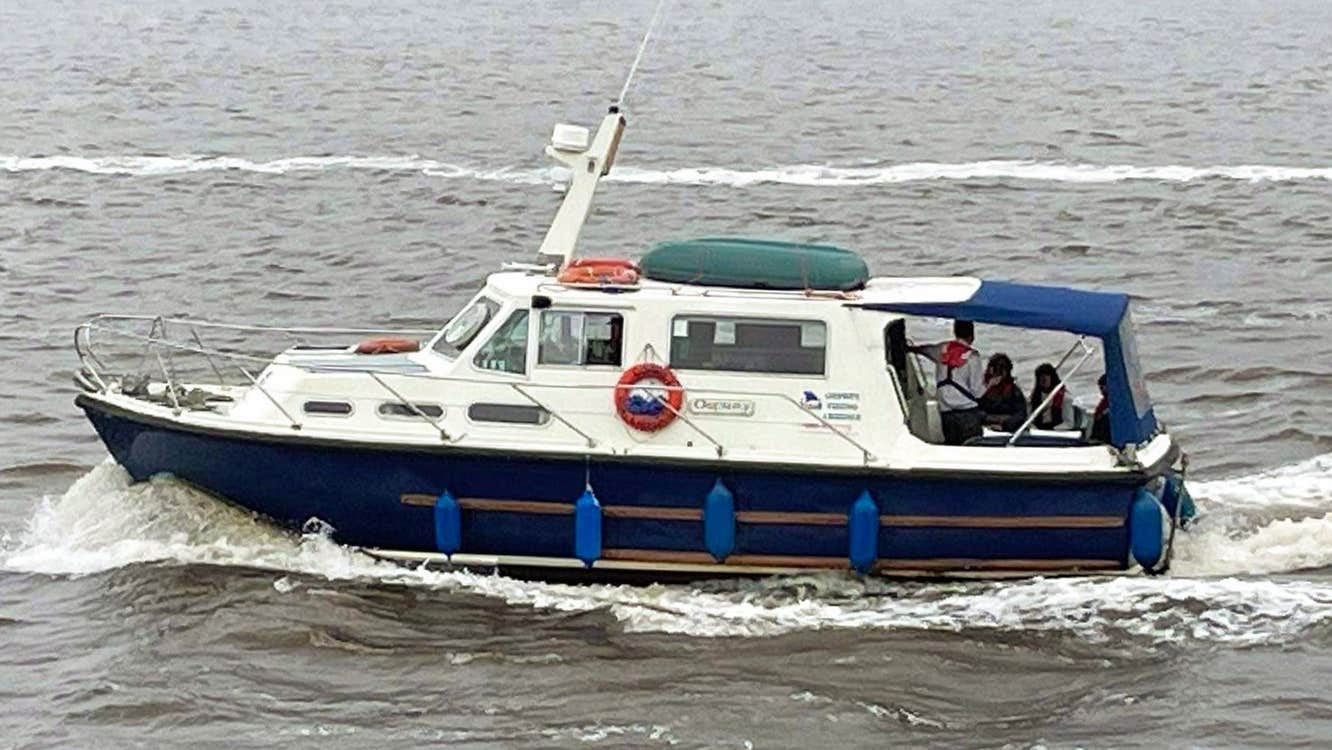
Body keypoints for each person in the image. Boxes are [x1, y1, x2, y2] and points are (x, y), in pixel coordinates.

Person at [909, 320, 985, 445]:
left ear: (954, 332)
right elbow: (978, 392)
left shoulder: (941, 350)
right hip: (967, 414)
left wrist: (910, 348)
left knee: (952, 447)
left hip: (947, 415)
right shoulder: (973, 357)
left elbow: (925, 350)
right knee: (973, 450)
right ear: (972, 335)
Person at [978, 353, 1027, 432]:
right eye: (996, 368)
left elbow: (1020, 414)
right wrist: (989, 418)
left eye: (1003, 368)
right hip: (984, 427)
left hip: (1006, 428)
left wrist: (1005, 424)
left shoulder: (1014, 391)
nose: (999, 372)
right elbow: (973, 410)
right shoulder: (981, 389)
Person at [1028, 362, 1078, 431]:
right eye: (1041, 376)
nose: (1044, 379)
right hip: (1038, 430)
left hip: (1057, 430)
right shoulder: (1034, 396)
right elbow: (1029, 419)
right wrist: (1034, 429)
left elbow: (1069, 424)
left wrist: (1052, 430)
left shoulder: (1065, 397)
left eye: (1047, 376)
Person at [1089, 373, 1112, 443]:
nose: (1101, 390)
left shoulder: (1113, 400)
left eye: (1102, 387)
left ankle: (1098, 437)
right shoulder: (1106, 399)